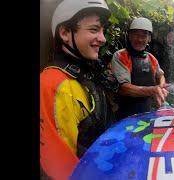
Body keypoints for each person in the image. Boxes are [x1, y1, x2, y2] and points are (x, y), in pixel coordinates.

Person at [40, 0, 119, 179]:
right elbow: (59, 169)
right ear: (65, 33)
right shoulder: (53, 84)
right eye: (94, 30)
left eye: (102, 30)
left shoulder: (88, 72)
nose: (103, 38)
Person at [111, 17, 169, 120]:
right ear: (129, 36)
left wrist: (160, 86)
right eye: (136, 35)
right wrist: (153, 90)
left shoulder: (152, 58)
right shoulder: (120, 56)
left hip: (148, 112)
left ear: (149, 39)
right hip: (125, 115)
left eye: (144, 36)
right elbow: (124, 88)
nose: (140, 39)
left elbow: (161, 75)